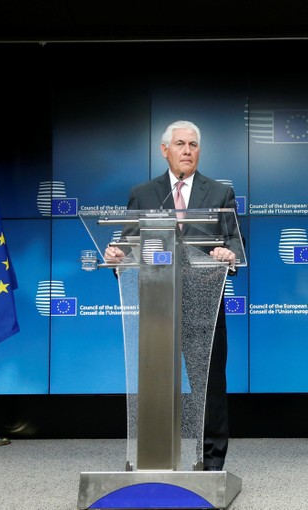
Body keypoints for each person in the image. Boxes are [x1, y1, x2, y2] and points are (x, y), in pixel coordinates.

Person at [105, 120, 244, 471]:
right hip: (158, 308)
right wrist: (117, 254)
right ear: (164, 150)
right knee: (155, 386)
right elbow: (127, 242)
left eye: (193, 145)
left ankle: (212, 466)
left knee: (209, 389)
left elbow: (235, 243)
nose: (187, 150)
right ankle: (152, 460)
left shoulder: (219, 194)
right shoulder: (144, 193)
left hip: (204, 306)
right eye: (180, 144)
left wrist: (227, 255)